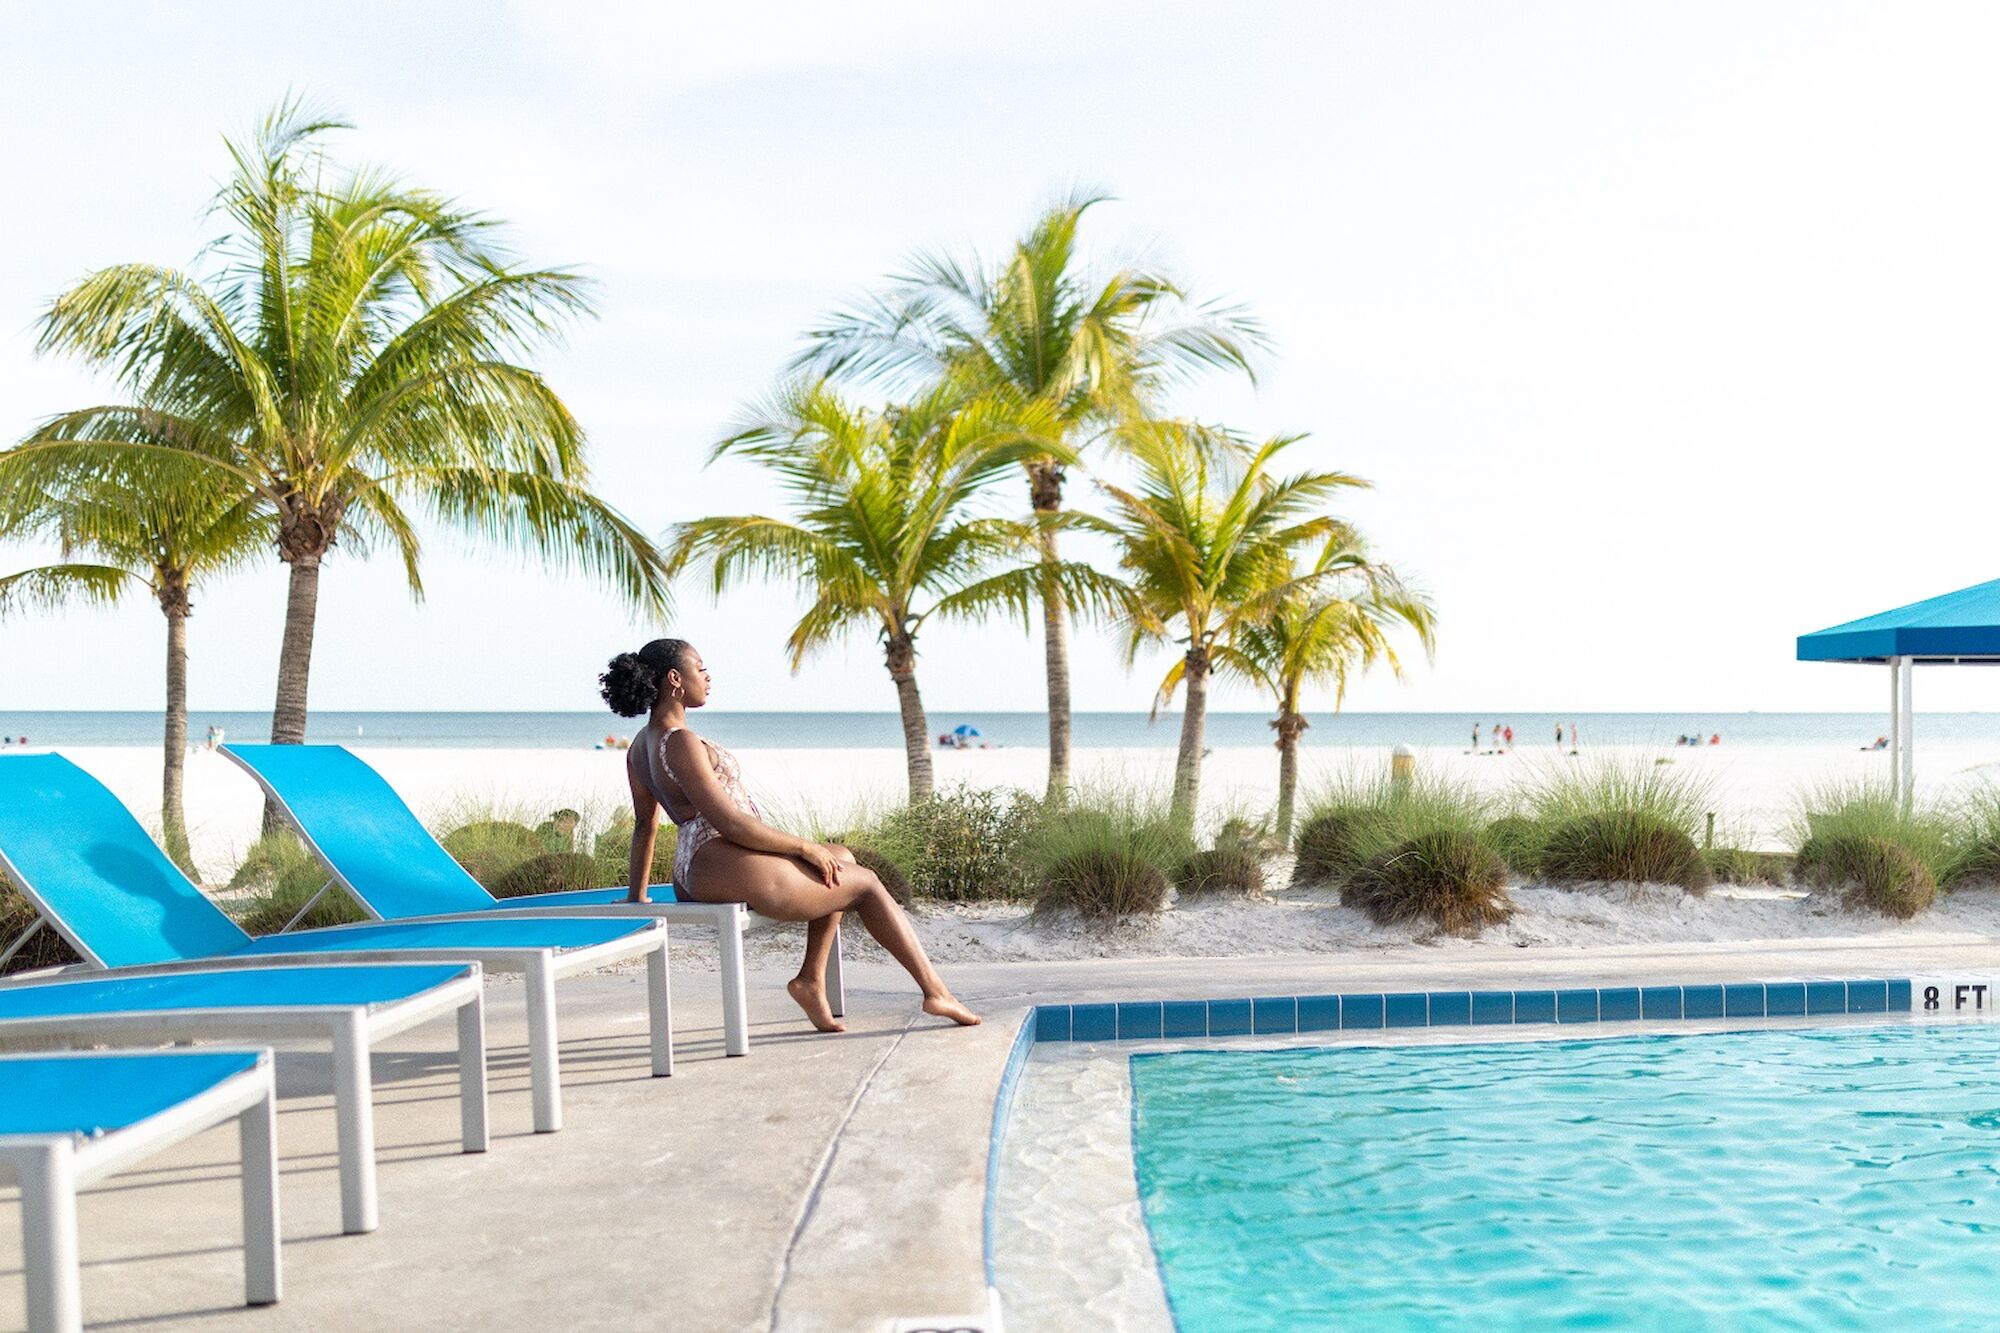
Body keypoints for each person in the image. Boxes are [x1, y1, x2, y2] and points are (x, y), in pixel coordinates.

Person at [601, 638, 979, 1033]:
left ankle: (810, 980)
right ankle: (935, 991)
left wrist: (635, 896)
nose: (708, 677)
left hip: (697, 866)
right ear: (675, 679)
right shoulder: (679, 741)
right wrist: (803, 846)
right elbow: (730, 822)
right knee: (865, 884)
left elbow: (646, 825)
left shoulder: (640, 746)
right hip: (717, 858)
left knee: (841, 858)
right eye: (701, 668)